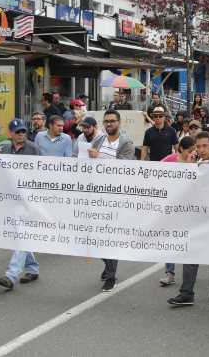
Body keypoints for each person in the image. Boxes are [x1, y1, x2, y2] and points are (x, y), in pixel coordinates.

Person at [167, 131, 209, 307]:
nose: (201, 150)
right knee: (190, 253)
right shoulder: (194, 161)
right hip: (197, 213)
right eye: (199, 147)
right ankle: (186, 293)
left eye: (205, 146)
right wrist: (189, 165)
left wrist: (202, 165)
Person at [89, 109, 135, 291]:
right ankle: (108, 266)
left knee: (110, 237)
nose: (109, 124)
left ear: (119, 123)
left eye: (112, 121)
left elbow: (124, 168)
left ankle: (111, 275)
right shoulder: (99, 140)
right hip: (97, 194)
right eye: (106, 121)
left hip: (115, 196)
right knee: (94, 237)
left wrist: (98, 157)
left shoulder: (126, 143)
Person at [0, 119, 41, 291]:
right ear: (10, 133)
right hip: (10, 198)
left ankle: (11, 275)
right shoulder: (4, 148)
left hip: (27, 200)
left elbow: (42, 173)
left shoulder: (33, 149)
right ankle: (32, 267)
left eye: (23, 131)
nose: (21, 134)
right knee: (20, 235)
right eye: (18, 132)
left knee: (23, 236)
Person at [159, 136, 197, 286]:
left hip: (189, 207)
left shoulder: (196, 162)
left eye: (194, 150)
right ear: (181, 149)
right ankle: (170, 273)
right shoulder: (170, 159)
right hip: (172, 206)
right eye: (190, 150)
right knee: (170, 240)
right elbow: (154, 172)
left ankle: (190, 274)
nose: (193, 153)